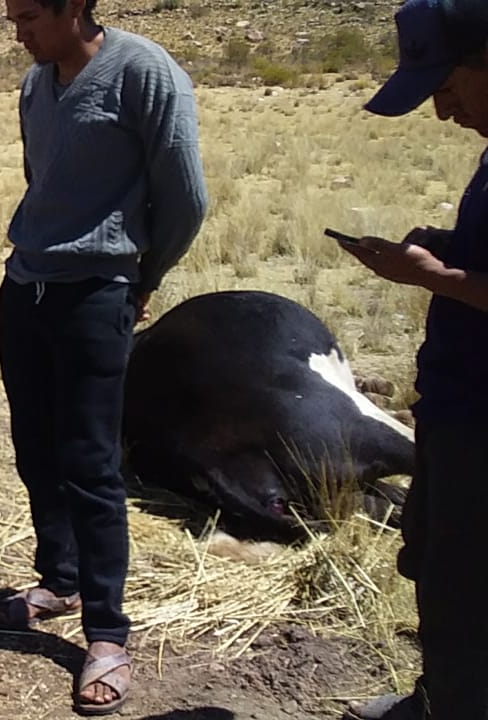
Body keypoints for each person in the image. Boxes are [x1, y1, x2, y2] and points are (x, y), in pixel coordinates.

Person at [0, 0, 207, 714]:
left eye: (28, 15)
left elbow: (185, 197)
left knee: (89, 461)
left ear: (74, 6)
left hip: (97, 290)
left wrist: (141, 279)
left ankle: (108, 636)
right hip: (26, 283)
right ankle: (59, 578)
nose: (16, 30)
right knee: (34, 444)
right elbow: (39, 175)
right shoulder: (35, 82)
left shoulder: (144, 74)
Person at [337, 1, 488, 718]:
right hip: (457, 406)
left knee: (466, 583)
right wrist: (451, 249)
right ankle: (438, 699)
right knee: (436, 567)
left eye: (446, 86)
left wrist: (432, 275)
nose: (441, 110)